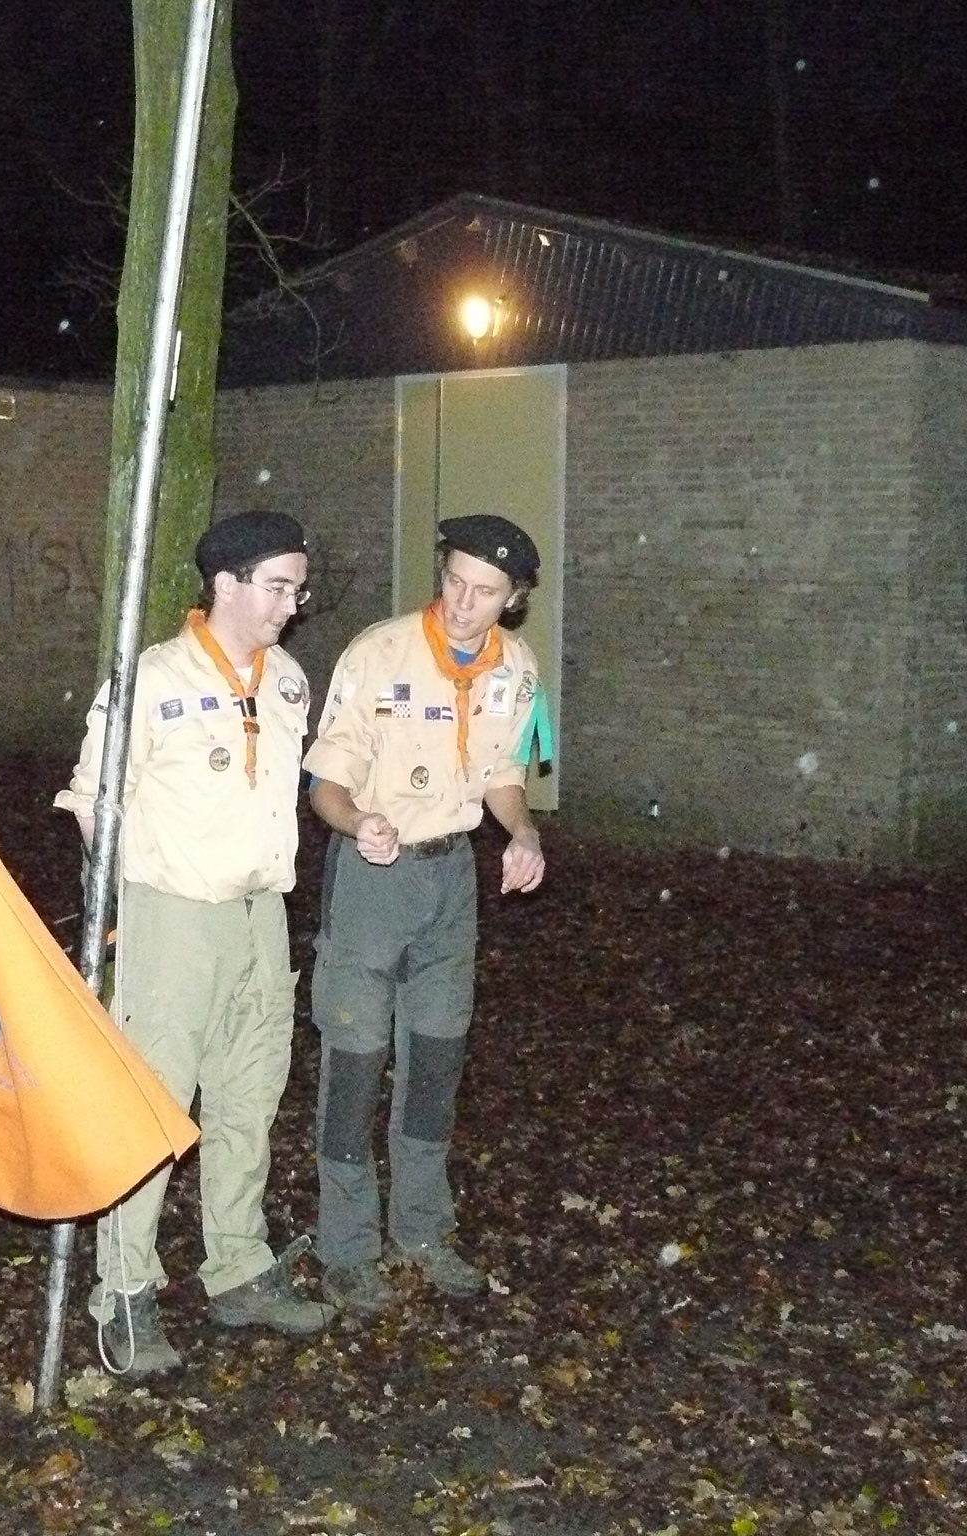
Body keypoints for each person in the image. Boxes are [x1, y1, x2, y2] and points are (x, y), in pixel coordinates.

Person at [55, 509, 334, 1375]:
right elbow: (92, 800)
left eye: (298, 589)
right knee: (151, 1104)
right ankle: (124, 1291)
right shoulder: (149, 681)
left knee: (249, 1096)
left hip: (261, 914)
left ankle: (239, 1266)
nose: (291, 605)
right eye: (277, 587)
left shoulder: (289, 682)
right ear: (226, 584)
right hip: (173, 915)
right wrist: (122, 904)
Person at [302, 515, 548, 1316]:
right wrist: (356, 821)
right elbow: (326, 781)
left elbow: (503, 773)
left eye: (485, 592)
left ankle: (423, 1229)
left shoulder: (518, 669)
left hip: (452, 882)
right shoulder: (379, 653)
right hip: (373, 880)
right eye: (454, 581)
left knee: (436, 1060)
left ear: (514, 600)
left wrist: (522, 832)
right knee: (355, 1061)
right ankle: (347, 1247)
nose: (463, 603)